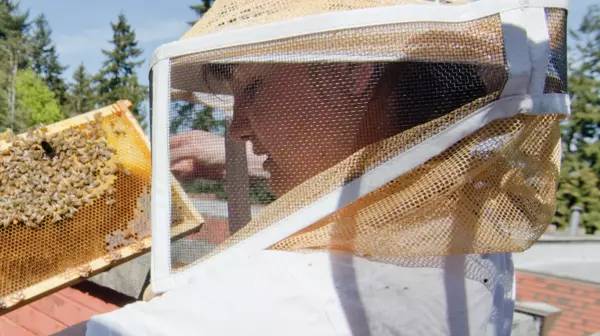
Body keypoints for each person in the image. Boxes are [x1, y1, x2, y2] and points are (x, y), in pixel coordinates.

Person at [77, 58, 516, 336]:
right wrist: (246, 160)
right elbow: (368, 172)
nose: (236, 128)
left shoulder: (286, 299)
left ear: (353, 69)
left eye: (251, 89)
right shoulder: (464, 223)